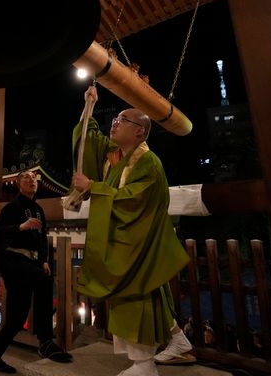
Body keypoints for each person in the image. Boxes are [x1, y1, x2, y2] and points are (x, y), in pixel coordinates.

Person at [71, 85, 193, 376]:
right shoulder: (117, 158)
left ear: (140, 131)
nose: (114, 124)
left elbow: (134, 200)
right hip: (129, 242)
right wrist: (88, 107)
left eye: (121, 121)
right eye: (114, 120)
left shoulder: (147, 162)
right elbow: (89, 141)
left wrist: (93, 187)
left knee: (137, 295)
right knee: (149, 291)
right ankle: (179, 342)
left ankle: (144, 363)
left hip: (137, 241)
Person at [0, 171, 72, 373]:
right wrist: (21, 227)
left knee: (17, 318)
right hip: (13, 260)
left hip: (31, 262)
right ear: (18, 184)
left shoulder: (38, 210)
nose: (31, 180)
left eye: (34, 178)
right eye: (26, 178)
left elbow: (42, 238)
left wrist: (43, 260)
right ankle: (45, 341)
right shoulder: (12, 207)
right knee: (44, 282)